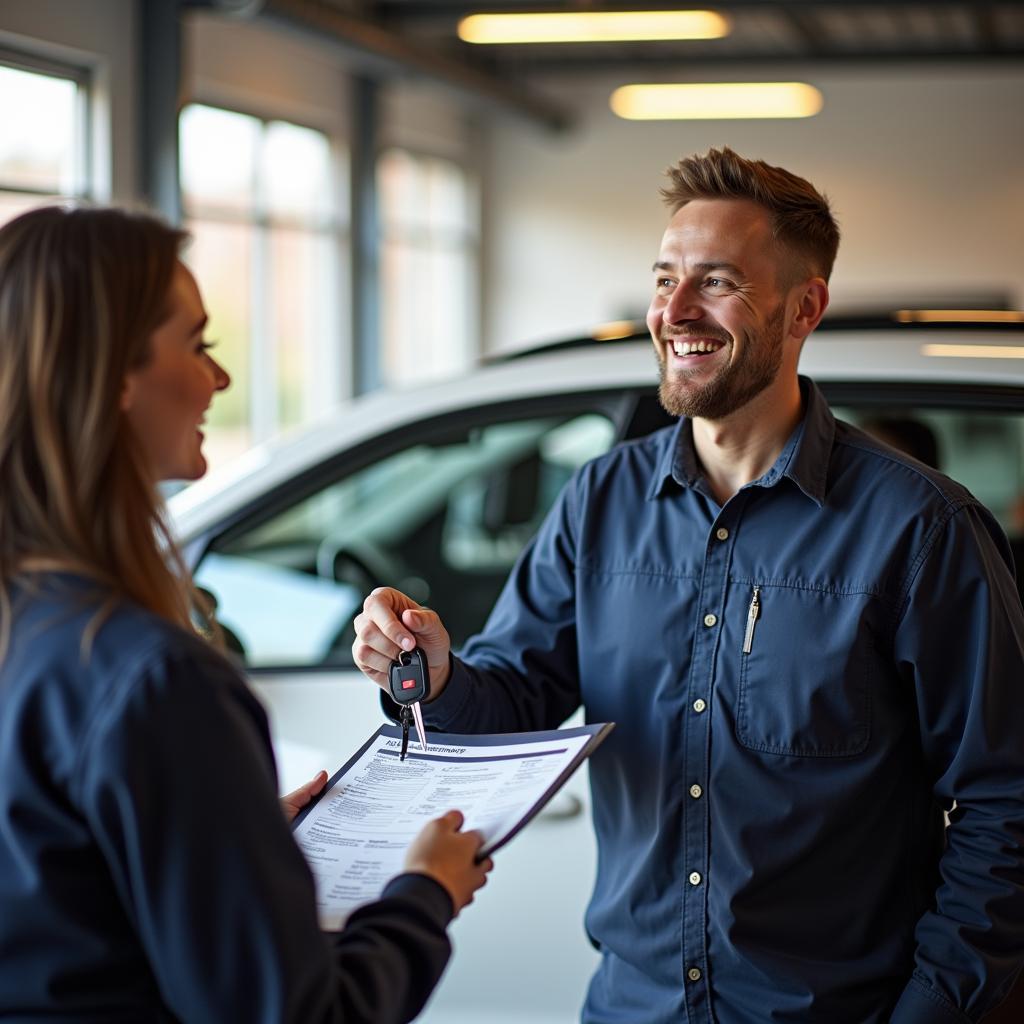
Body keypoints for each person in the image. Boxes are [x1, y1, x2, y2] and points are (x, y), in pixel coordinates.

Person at [353, 147, 1024, 1023]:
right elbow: (514, 702)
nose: (673, 312)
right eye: (665, 278)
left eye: (717, 282)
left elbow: (1005, 803)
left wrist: (932, 1012)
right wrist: (435, 674)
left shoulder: (919, 528)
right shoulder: (599, 501)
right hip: (634, 1007)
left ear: (803, 307)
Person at [0, 205, 492, 1023]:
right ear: (117, 374)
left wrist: (229, 838)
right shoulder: (152, 677)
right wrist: (422, 895)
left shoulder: (32, 629)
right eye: (198, 346)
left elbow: (56, 899)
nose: (219, 381)